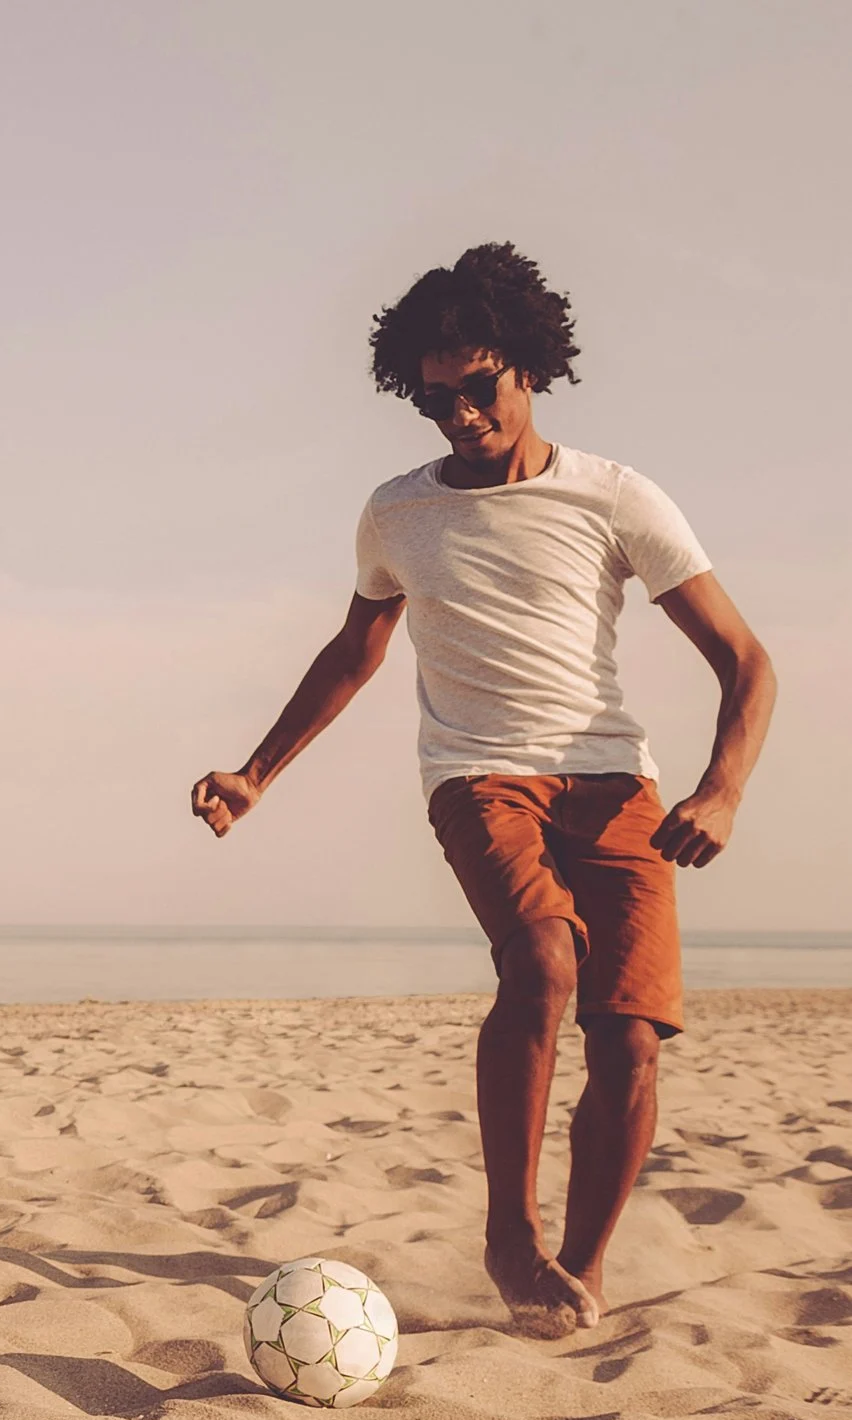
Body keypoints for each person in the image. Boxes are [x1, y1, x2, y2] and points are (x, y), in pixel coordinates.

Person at [190, 243, 777, 1339]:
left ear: (528, 368)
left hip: (613, 782)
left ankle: (579, 1273)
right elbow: (354, 652)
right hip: (476, 771)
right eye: (434, 396)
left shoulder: (615, 496)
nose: (458, 413)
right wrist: (254, 773)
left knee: (633, 1038)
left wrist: (722, 789)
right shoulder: (397, 512)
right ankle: (510, 1233)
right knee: (543, 957)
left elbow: (745, 659)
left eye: (478, 387)